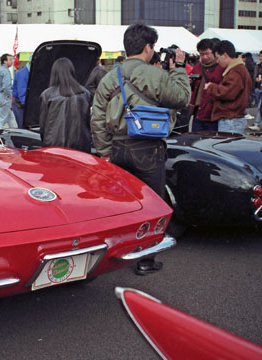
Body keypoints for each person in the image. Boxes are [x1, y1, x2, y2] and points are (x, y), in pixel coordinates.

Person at [90, 23, 190, 276]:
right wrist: (178, 68)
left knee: (119, 204)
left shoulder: (109, 76)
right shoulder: (154, 75)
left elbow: (97, 118)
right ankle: (145, 260)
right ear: (148, 47)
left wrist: (103, 151)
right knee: (151, 205)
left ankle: (115, 255)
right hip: (148, 147)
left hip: (117, 147)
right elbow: (181, 98)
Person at [39, 58, 92, 153]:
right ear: (72, 71)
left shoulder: (47, 94)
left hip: (54, 145)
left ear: (54, 73)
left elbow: (43, 125)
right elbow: (89, 121)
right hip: (81, 144)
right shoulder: (85, 93)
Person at [204, 40, 252, 133]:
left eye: (218, 58)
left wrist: (211, 87)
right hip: (233, 118)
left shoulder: (236, 71)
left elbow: (227, 92)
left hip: (231, 120)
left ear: (225, 55)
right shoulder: (238, 69)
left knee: (227, 145)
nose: (217, 61)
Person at [189, 38, 225, 132]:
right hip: (198, 111)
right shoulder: (197, 67)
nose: (204, 57)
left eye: (207, 53)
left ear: (214, 52)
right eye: (201, 54)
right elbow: (193, 87)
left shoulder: (221, 67)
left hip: (213, 112)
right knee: (195, 140)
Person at [0, 53, 16, 129]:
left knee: (10, 117)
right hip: (4, 96)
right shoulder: (5, 71)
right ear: (5, 61)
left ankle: (14, 132)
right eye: (10, 59)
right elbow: (6, 86)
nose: (12, 61)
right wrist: (10, 95)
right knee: (2, 119)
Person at [12, 58, 30, 128]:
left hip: (25, 103)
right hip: (19, 104)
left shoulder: (29, 72)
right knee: (22, 127)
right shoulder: (22, 74)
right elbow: (22, 94)